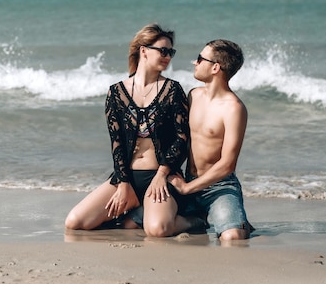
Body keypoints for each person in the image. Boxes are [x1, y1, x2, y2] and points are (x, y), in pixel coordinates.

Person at [65, 23, 196, 237]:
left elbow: (182, 139)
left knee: (157, 230)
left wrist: (162, 174)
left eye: (170, 52)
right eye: (163, 50)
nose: (168, 56)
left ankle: (194, 220)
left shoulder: (173, 90)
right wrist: (123, 183)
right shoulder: (116, 93)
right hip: (128, 177)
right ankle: (136, 210)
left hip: (161, 176)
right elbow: (116, 144)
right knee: (75, 222)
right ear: (144, 50)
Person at [169, 39, 253, 241]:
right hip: (186, 179)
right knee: (141, 222)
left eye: (200, 59)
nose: (194, 62)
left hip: (219, 186)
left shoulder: (234, 108)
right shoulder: (193, 95)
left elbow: (227, 164)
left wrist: (188, 189)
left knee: (233, 237)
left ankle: (231, 220)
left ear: (215, 67)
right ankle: (201, 219)